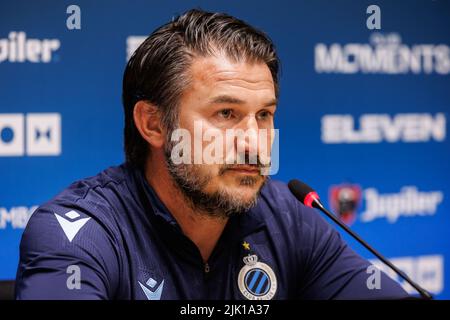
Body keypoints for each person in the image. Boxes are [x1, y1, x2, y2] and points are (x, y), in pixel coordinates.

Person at [15, 9, 409, 300]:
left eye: (264, 115)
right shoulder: (80, 232)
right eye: (226, 114)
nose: (255, 143)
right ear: (153, 124)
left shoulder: (291, 219)